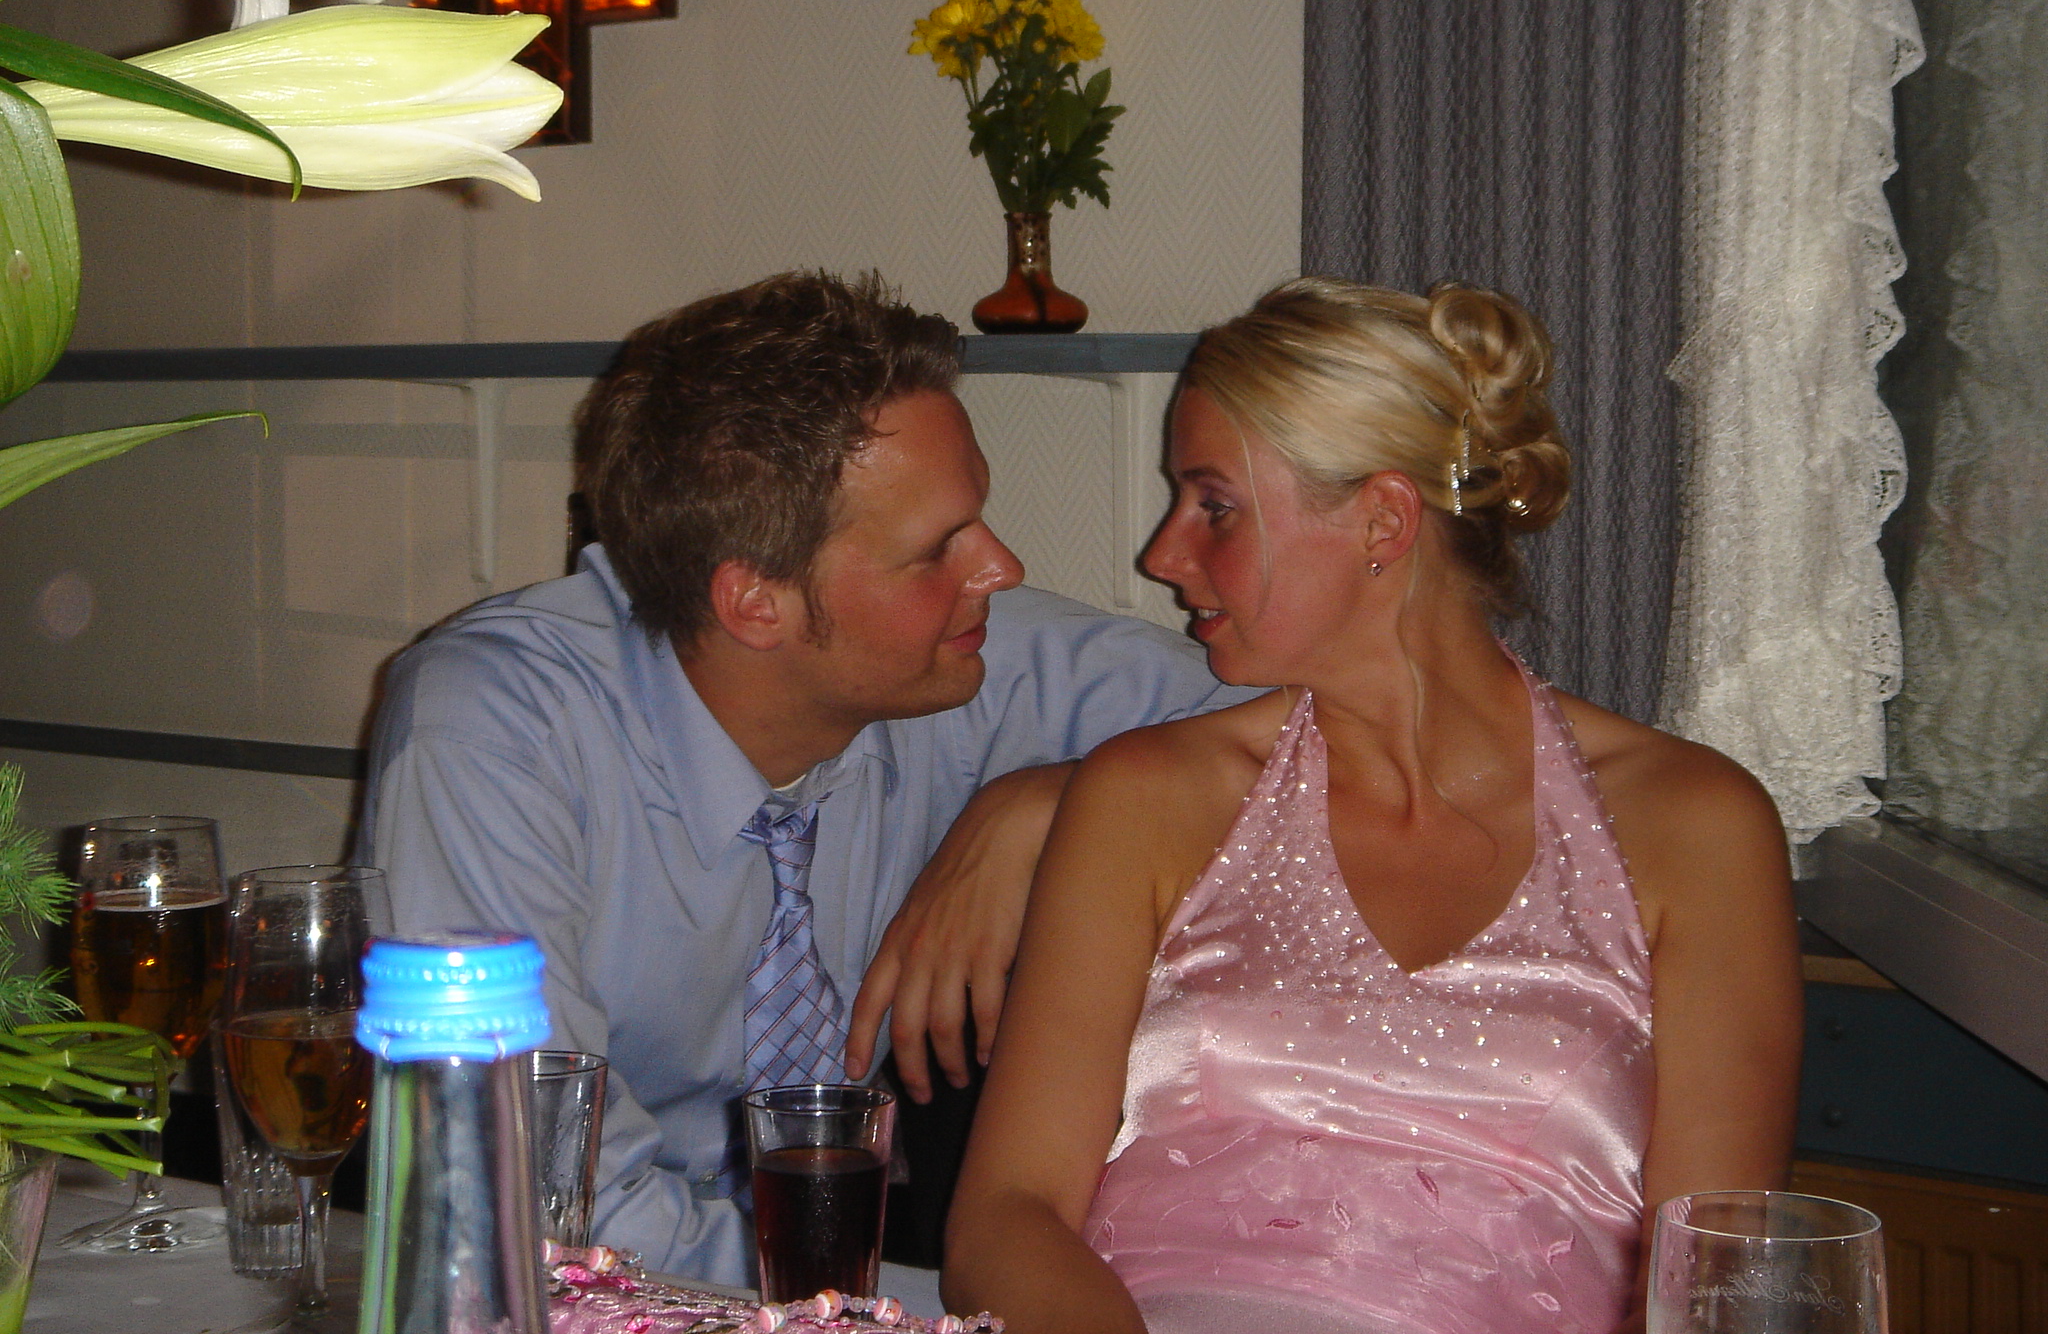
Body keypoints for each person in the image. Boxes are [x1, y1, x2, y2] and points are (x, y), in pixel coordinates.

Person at [356, 271, 1252, 1286]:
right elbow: (536, 1199)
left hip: (847, 1258)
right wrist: (860, 1305)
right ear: (757, 604)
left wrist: (1058, 801)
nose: (998, 567)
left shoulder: (957, 657)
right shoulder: (491, 730)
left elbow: (1331, 723)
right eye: (937, 549)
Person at [944, 278, 1803, 1334]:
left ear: (1383, 521)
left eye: (1215, 506)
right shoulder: (1147, 798)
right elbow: (1005, 1217)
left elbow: (1712, 1286)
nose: (1162, 556)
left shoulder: (1693, 827)